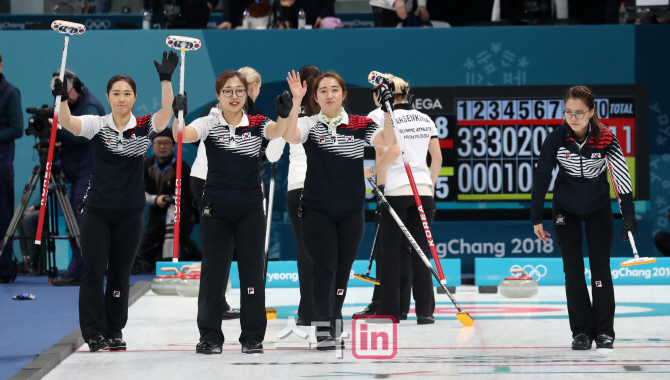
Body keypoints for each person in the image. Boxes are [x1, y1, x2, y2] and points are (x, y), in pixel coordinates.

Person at [51, 51, 179, 352]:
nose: (122, 98)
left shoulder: (144, 126)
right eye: (116, 93)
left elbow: (167, 113)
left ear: (134, 98)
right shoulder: (98, 124)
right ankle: (94, 332)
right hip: (97, 211)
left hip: (130, 213)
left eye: (127, 94)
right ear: (108, 97)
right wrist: (61, 98)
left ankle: (114, 330)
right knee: (94, 272)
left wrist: (165, 79)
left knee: (121, 273)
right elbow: (67, 123)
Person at [175, 70, 292, 355]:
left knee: (252, 274)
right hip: (215, 209)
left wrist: (286, 115)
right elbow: (183, 135)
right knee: (213, 275)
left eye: (239, 91)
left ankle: (252, 336)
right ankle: (210, 337)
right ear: (218, 95)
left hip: (250, 209)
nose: (234, 96)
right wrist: (178, 114)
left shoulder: (256, 122)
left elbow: (277, 132)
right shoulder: (208, 122)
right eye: (227, 91)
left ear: (247, 94)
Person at [282, 70, 396, 350]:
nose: (329, 94)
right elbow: (290, 136)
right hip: (316, 210)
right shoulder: (309, 123)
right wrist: (296, 102)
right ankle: (323, 329)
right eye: (323, 91)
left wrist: (388, 108)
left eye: (334, 90)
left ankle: (334, 321)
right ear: (316, 97)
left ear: (344, 95)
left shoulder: (360, 124)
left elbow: (387, 141)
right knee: (324, 269)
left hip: (351, 211)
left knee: (342, 270)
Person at [531, 85, 636, 351]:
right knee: (573, 272)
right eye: (568, 112)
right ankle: (580, 332)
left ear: (591, 112)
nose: (573, 117)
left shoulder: (607, 138)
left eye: (579, 112)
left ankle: (604, 332)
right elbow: (542, 177)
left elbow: (621, 177)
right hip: (565, 211)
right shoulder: (556, 138)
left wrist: (629, 216)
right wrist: (536, 217)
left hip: (599, 210)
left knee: (600, 270)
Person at [365, 75, 441, 324]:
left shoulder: (387, 120)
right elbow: (437, 159)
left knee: (391, 255)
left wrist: (374, 172)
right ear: (408, 95)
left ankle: (392, 311)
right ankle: (425, 313)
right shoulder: (426, 118)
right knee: (422, 253)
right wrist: (430, 186)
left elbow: (391, 151)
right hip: (423, 191)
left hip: (396, 191)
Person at [49, 69, 106, 286]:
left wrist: (59, 128)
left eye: (65, 93)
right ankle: (84, 267)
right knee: (77, 219)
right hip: (77, 171)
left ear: (77, 87)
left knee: (80, 220)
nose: (62, 98)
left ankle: (83, 269)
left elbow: (86, 135)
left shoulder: (90, 106)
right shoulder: (69, 105)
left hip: (90, 171)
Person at [134, 128, 199, 273]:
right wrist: (156, 200)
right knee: (144, 255)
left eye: (166, 143)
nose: (162, 147)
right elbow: (137, 193)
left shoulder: (183, 168)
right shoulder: (146, 166)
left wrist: (181, 222)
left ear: (174, 146)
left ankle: (189, 248)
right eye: (158, 143)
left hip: (181, 216)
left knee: (175, 255)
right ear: (153, 145)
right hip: (156, 215)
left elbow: (189, 200)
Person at [0, 52, 23, 284]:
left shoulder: (10, 92)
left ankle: (5, 269)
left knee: (2, 217)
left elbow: (18, 128)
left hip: (1, 163)